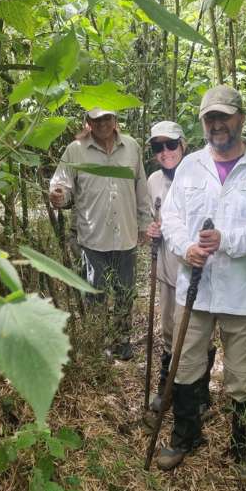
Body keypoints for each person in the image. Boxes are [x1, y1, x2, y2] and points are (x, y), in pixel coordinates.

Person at [157, 85, 246, 470]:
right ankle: (186, 437)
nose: (217, 125)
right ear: (202, 122)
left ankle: (244, 449)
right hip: (194, 286)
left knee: (243, 375)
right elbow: (173, 218)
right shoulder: (191, 165)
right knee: (184, 363)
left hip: (243, 290)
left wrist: (228, 241)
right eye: (210, 118)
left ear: (240, 118)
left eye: (224, 116)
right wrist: (185, 248)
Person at [49, 107, 150, 360]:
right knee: (95, 293)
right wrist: (58, 196)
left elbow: (141, 185)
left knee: (125, 291)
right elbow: (62, 186)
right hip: (93, 237)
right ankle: (100, 341)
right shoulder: (76, 150)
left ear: (115, 120)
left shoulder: (131, 147)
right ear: (88, 122)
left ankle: (122, 339)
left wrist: (144, 222)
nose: (102, 123)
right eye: (96, 119)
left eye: (107, 118)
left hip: (125, 234)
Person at [146, 121, 216, 414]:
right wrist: (152, 230)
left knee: (196, 338)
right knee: (169, 332)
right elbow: (154, 220)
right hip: (167, 271)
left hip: (199, 274)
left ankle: (199, 392)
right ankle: (168, 387)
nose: (165, 152)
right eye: (158, 147)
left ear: (183, 145)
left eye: (171, 144)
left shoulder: (203, 175)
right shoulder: (152, 181)